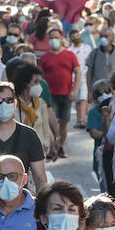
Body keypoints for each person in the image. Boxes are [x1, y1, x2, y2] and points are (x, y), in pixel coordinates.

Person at [12, 180, 91, 230]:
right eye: (57, 209)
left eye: (71, 209)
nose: (65, 215)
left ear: (79, 217)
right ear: (43, 217)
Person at [39, 28, 80, 157]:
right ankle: (52, 147)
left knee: (64, 123)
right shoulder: (45, 57)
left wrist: (75, 90)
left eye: (56, 37)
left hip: (66, 94)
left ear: (62, 38)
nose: (54, 40)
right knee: (51, 123)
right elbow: (39, 77)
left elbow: (78, 72)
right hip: (50, 96)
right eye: (51, 38)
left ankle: (61, 146)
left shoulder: (70, 55)